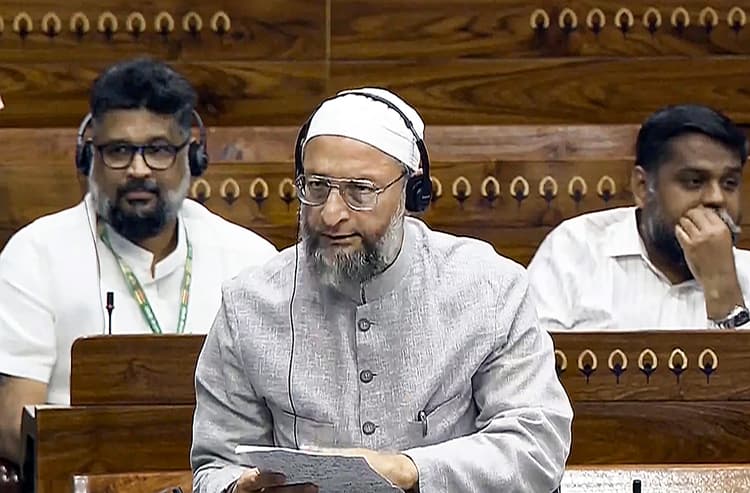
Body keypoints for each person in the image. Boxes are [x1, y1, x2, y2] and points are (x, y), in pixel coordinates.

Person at [191, 88, 573, 493]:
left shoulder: (491, 289)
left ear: (410, 193)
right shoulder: (247, 305)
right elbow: (215, 465)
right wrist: (239, 488)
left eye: (360, 190)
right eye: (316, 186)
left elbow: (537, 446)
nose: (331, 214)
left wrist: (410, 470)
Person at [0, 58, 277, 463]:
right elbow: (13, 428)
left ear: (192, 157)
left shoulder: (250, 261)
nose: (137, 169)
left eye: (158, 150)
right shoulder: (35, 255)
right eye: (118, 151)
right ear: (89, 157)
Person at [528, 104, 750, 330]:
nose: (716, 198)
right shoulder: (574, 250)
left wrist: (724, 292)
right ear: (643, 187)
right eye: (694, 181)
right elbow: (528, 350)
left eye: (729, 183)